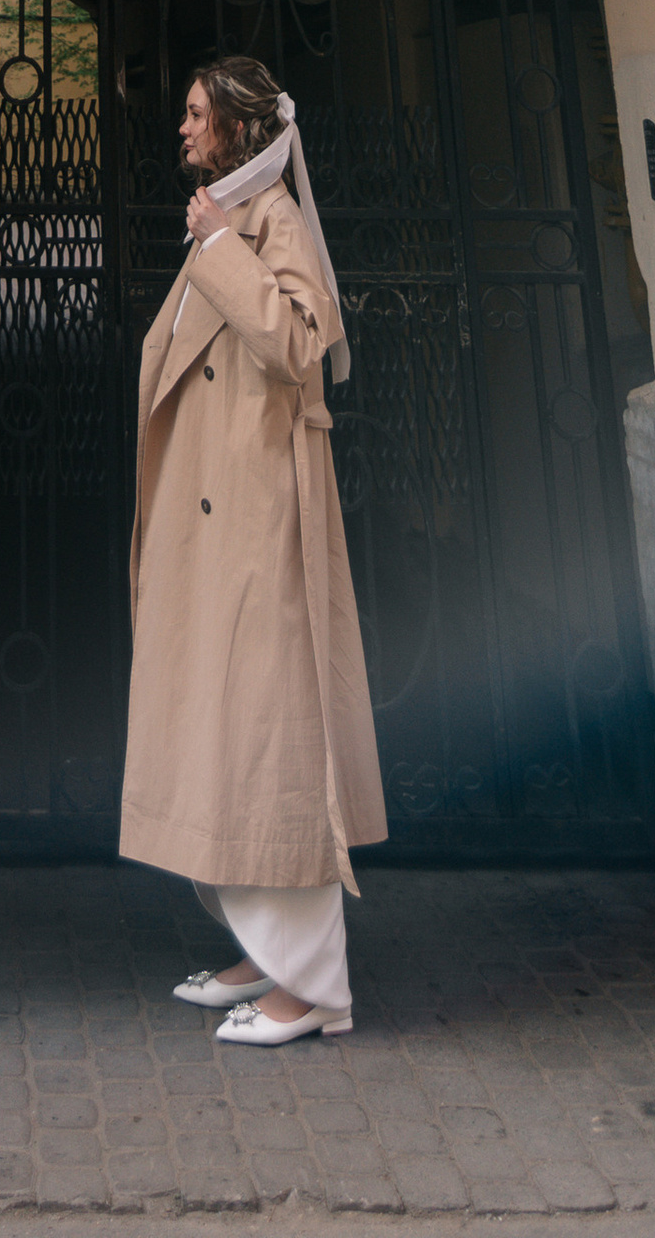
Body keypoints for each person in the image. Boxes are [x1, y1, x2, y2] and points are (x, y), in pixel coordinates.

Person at [121, 53, 386, 1048]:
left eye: (195, 115)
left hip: (257, 525)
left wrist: (224, 244)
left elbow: (296, 340)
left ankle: (316, 987)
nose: (181, 130)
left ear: (236, 128)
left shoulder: (265, 216)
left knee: (273, 746)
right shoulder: (233, 212)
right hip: (217, 524)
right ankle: (259, 952)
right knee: (222, 741)